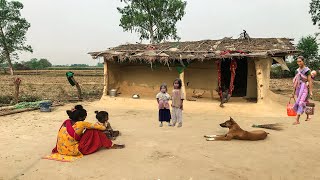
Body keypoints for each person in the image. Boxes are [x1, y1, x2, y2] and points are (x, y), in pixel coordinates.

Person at [45, 105, 124, 162]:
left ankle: (109, 143)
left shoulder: (66, 122)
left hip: (61, 149)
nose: (85, 118)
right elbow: (102, 128)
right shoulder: (81, 123)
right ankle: (110, 145)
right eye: (85, 116)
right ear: (80, 118)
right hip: (73, 151)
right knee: (94, 130)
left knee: (90, 129)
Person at [292, 56, 314, 125]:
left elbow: (310, 81)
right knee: (305, 102)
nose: (299, 63)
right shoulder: (297, 71)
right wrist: (293, 91)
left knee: (300, 102)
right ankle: (308, 116)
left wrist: (310, 91)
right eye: (298, 61)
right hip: (298, 88)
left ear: (303, 61)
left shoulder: (307, 70)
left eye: (300, 61)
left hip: (304, 88)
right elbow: (296, 82)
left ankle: (297, 119)